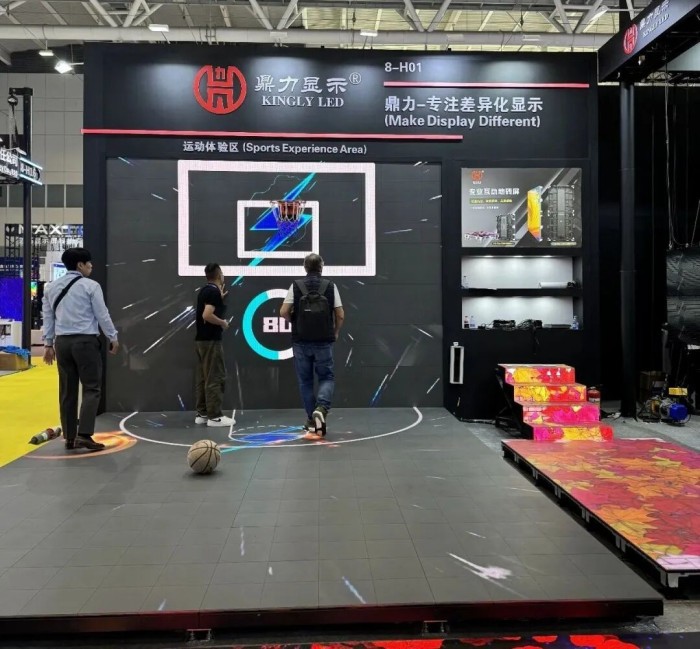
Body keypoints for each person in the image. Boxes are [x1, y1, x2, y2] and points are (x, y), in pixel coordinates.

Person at [42, 248, 119, 452]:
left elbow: (48, 317)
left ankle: (69, 437)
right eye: (88, 263)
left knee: (67, 390)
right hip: (85, 342)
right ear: (80, 265)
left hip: (62, 343)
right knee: (92, 388)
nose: (91, 266)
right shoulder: (91, 286)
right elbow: (102, 314)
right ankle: (84, 434)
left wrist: (48, 344)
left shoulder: (51, 287)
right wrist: (112, 336)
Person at [280, 253, 344, 437]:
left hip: (301, 342)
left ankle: (311, 419)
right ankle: (321, 408)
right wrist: (335, 331)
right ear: (321, 267)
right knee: (326, 377)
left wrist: (295, 321)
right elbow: (340, 315)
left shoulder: (296, 286)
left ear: (305, 267)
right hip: (324, 341)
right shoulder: (330, 286)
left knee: (305, 381)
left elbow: (283, 311)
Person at [194, 263, 234, 428]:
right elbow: (207, 315)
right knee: (215, 376)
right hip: (211, 340)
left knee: (204, 377)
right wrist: (223, 323)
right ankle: (215, 416)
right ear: (219, 275)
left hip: (201, 340)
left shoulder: (205, 290)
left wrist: (219, 300)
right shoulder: (213, 292)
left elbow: (207, 309)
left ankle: (202, 413)